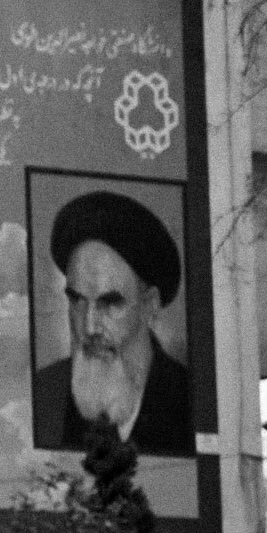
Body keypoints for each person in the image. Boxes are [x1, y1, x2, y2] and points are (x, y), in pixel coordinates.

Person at [32, 189, 193, 455]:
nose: (90, 327)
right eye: (78, 301)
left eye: (110, 303)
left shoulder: (187, 400)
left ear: (150, 305)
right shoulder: (46, 393)